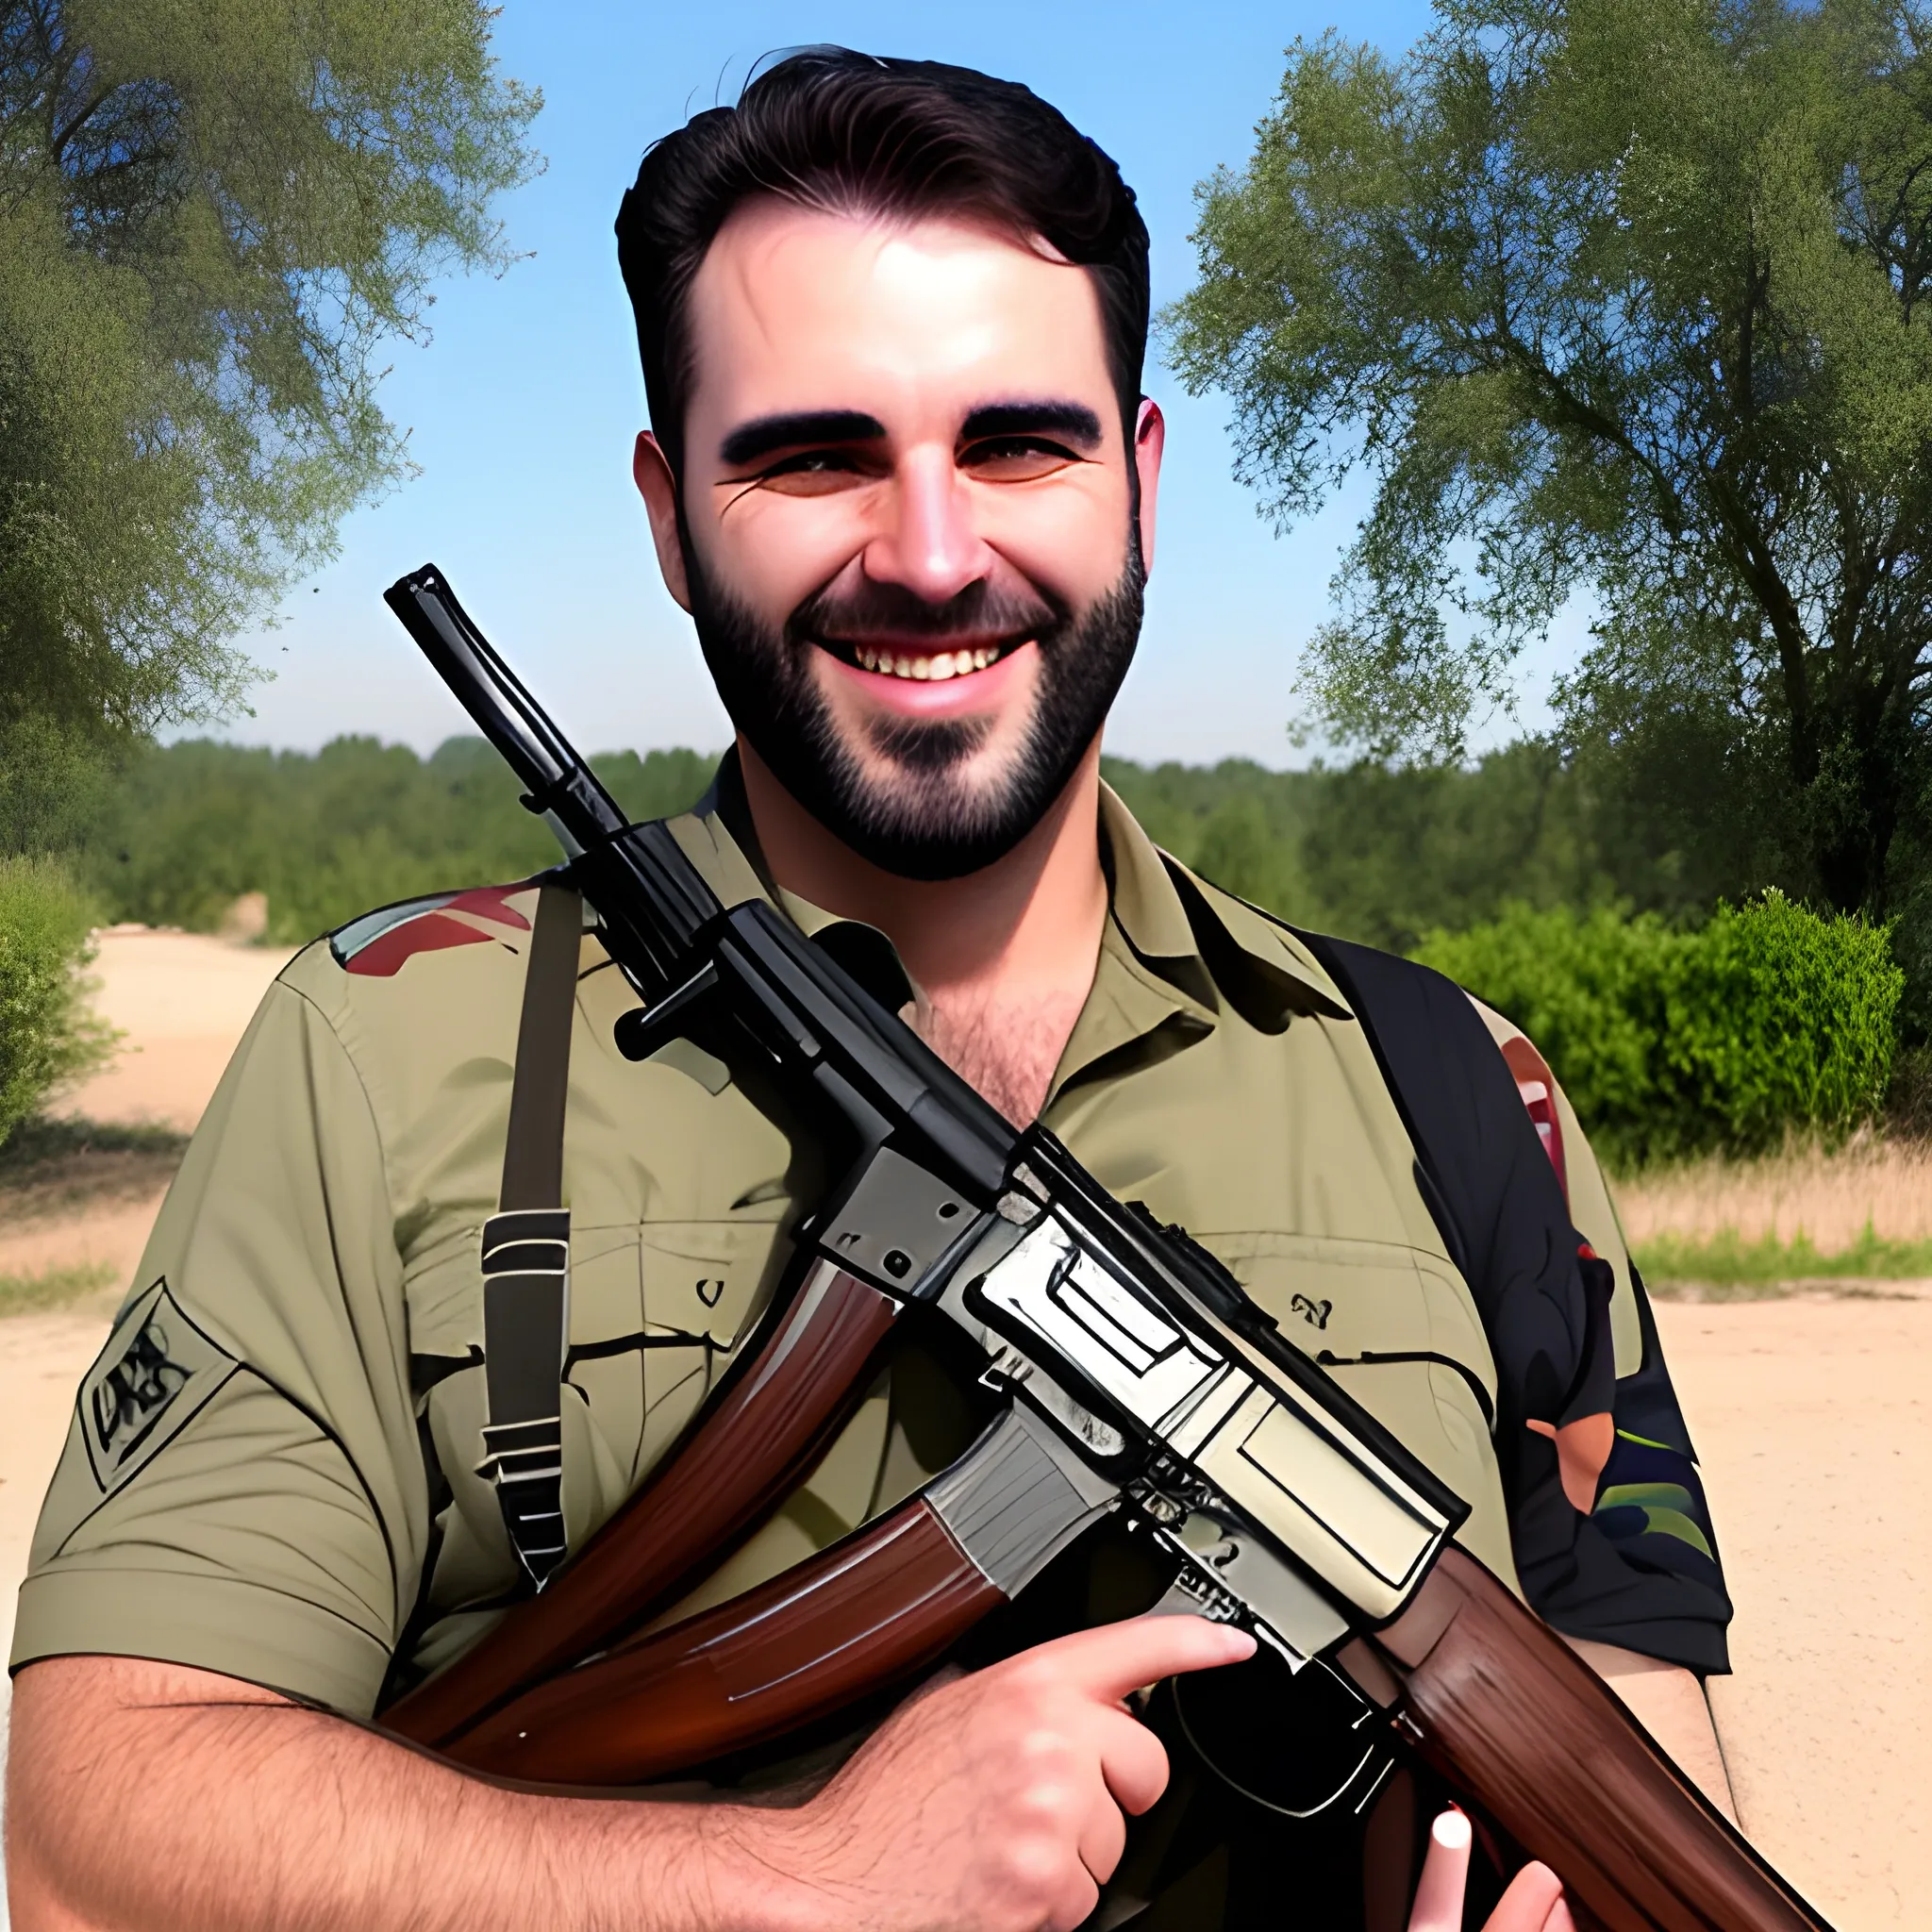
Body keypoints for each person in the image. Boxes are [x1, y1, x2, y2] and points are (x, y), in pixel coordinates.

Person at [6, 50, 1729, 1932]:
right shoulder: (394, 1046)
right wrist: (785, 1881)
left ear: (1136, 482)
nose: (928, 554)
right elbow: (91, 1823)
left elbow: (1640, 1771)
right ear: (669, 515)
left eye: (1018, 442)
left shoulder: (1461, 1092)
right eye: (815, 452)